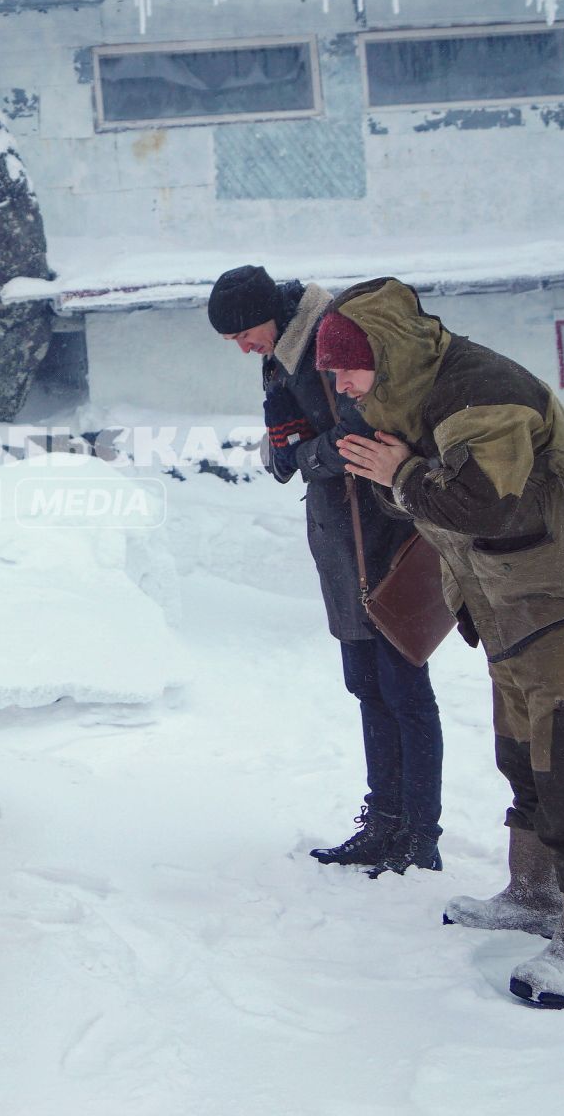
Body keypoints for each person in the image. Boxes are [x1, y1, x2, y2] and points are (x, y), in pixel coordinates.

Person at [318, 278, 564, 1010]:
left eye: (348, 367)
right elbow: (437, 499)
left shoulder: (480, 392)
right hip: (518, 607)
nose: (341, 384)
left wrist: (404, 474)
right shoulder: (418, 397)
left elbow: (491, 508)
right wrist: (403, 475)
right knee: (528, 763)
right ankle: (533, 896)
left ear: (385, 355)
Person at [207, 265, 445, 876]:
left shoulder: (330, 338)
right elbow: (298, 448)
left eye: (243, 332)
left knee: (403, 689)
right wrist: (299, 452)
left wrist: (304, 455)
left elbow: (360, 432)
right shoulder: (282, 356)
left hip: (382, 535)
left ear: (271, 312)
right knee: (367, 685)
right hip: (343, 542)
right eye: (229, 340)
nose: (241, 346)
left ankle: (419, 834)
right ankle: (384, 821)